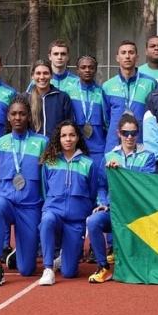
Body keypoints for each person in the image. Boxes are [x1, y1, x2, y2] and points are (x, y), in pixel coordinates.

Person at [0, 96, 48, 286]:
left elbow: (47, 177)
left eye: (22, 113)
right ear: (8, 117)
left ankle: (16, 256)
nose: (18, 117)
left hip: (30, 207)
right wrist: (4, 192)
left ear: (29, 116)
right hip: (7, 202)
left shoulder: (42, 143)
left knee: (27, 270)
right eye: (14, 114)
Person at [87, 114, 156, 283]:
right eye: (126, 133)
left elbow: (145, 185)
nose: (130, 137)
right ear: (119, 133)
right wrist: (103, 203)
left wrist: (122, 171)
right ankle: (103, 267)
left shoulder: (148, 156)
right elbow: (102, 185)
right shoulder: (109, 156)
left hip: (138, 212)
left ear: (138, 133)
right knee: (93, 221)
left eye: (133, 133)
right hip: (114, 210)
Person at [37, 121, 98, 285]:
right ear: (58, 138)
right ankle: (48, 268)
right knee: (47, 220)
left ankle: (63, 258)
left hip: (75, 221)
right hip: (54, 213)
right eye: (64, 135)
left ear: (78, 137)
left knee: (69, 273)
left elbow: (92, 193)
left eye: (72, 135)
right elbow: (45, 190)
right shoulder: (50, 162)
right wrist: (50, 208)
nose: (68, 139)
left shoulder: (88, 164)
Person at [102, 40, 157, 152]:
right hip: (114, 144)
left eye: (131, 52)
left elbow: (154, 115)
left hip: (141, 143)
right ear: (117, 57)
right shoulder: (108, 86)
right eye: (123, 53)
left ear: (137, 57)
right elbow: (106, 119)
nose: (127, 56)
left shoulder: (150, 83)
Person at [69, 55, 107, 167]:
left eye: (91, 67)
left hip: (98, 149)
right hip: (75, 148)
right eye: (83, 67)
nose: (87, 70)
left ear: (95, 69)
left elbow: (108, 122)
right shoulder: (68, 93)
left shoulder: (102, 93)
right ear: (77, 70)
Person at [25, 59, 74, 138]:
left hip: (55, 147)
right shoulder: (25, 98)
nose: (42, 77)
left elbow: (68, 126)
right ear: (32, 76)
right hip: (32, 148)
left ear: (51, 75)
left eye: (46, 73)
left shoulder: (63, 98)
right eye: (38, 73)